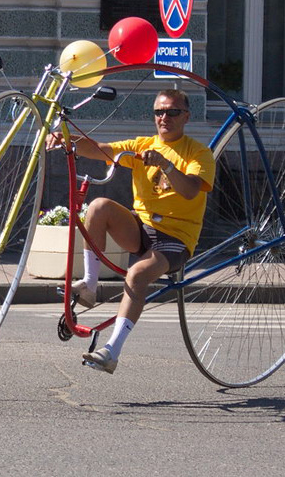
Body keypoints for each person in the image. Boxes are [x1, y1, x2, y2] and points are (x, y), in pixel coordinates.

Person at [45, 88, 215, 374]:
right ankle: (89, 285)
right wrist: (67, 139)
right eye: (159, 112)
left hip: (176, 238)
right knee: (98, 206)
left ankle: (111, 351)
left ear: (186, 116)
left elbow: (189, 190)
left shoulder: (198, 152)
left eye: (172, 112)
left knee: (136, 275)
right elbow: (102, 150)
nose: (164, 118)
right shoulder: (142, 145)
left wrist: (165, 164)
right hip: (142, 228)